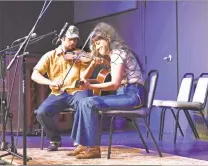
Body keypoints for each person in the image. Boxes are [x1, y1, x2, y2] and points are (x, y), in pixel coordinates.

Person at [68, 22, 146, 159]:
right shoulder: (113, 55)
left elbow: (114, 84)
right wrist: (89, 80)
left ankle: (93, 149)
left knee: (88, 103)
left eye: (99, 42)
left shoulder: (117, 53)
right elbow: (113, 83)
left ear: (108, 39)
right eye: (95, 44)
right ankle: (82, 143)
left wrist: (91, 86)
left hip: (133, 95)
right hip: (125, 93)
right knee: (83, 102)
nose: (97, 47)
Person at [32, 25, 101, 151]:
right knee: (41, 112)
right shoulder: (50, 56)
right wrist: (50, 82)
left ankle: (79, 141)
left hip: (77, 91)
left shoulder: (80, 55)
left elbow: (84, 77)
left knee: (84, 104)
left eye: (75, 40)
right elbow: (34, 74)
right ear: (62, 39)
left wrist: (92, 62)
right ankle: (55, 139)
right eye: (70, 39)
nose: (73, 42)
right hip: (58, 93)